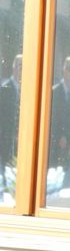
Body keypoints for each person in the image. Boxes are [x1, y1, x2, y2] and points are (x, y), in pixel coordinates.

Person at [49, 56, 70, 169]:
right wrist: (60, 136)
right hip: (53, 146)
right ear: (64, 70)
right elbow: (51, 119)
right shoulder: (54, 92)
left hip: (67, 150)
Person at [0, 54, 22, 188]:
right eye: (20, 66)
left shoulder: (27, 90)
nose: (22, 70)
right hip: (6, 143)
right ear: (14, 67)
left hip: (20, 144)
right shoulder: (5, 88)